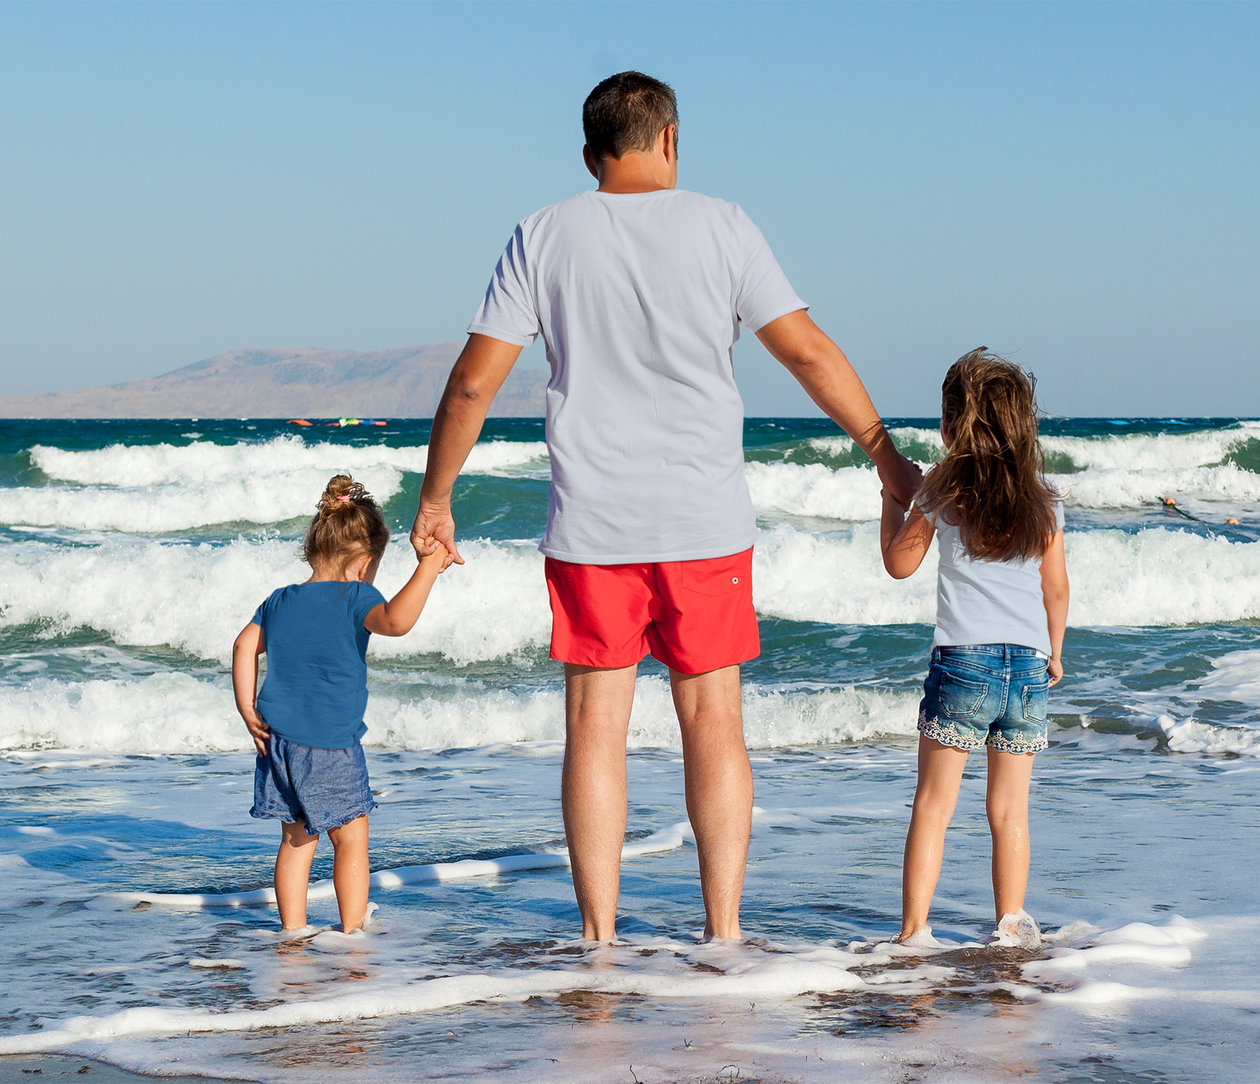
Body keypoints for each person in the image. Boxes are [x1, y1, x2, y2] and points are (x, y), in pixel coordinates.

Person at [411, 71, 922, 942]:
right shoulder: (724, 225)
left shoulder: (541, 235)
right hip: (703, 521)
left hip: (591, 525)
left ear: (588, 155)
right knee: (712, 716)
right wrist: (886, 457)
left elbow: (470, 385)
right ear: (672, 139)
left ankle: (600, 941)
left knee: (593, 725)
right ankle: (722, 933)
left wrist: (435, 499)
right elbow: (803, 352)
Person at [879, 348, 1069, 949]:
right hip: (1028, 668)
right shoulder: (1044, 501)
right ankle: (1010, 923)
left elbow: (899, 564)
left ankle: (915, 932)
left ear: (953, 424)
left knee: (934, 804)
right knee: (1010, 810)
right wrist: (1054, 652)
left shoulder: (943, 490)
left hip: (964, 662)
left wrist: (893, 499)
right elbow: (1056, 589)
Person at [233, 474, 452, 934]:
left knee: (296, 839)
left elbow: (242, 647)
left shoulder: (278, 601)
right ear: (363, 562)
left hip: (278, 741)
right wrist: (428, 569)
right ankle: (352, 931)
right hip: (330, 744)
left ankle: (292, 933)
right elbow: (396, 622)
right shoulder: (356, 595)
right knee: (350, 839)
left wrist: (246, 708)